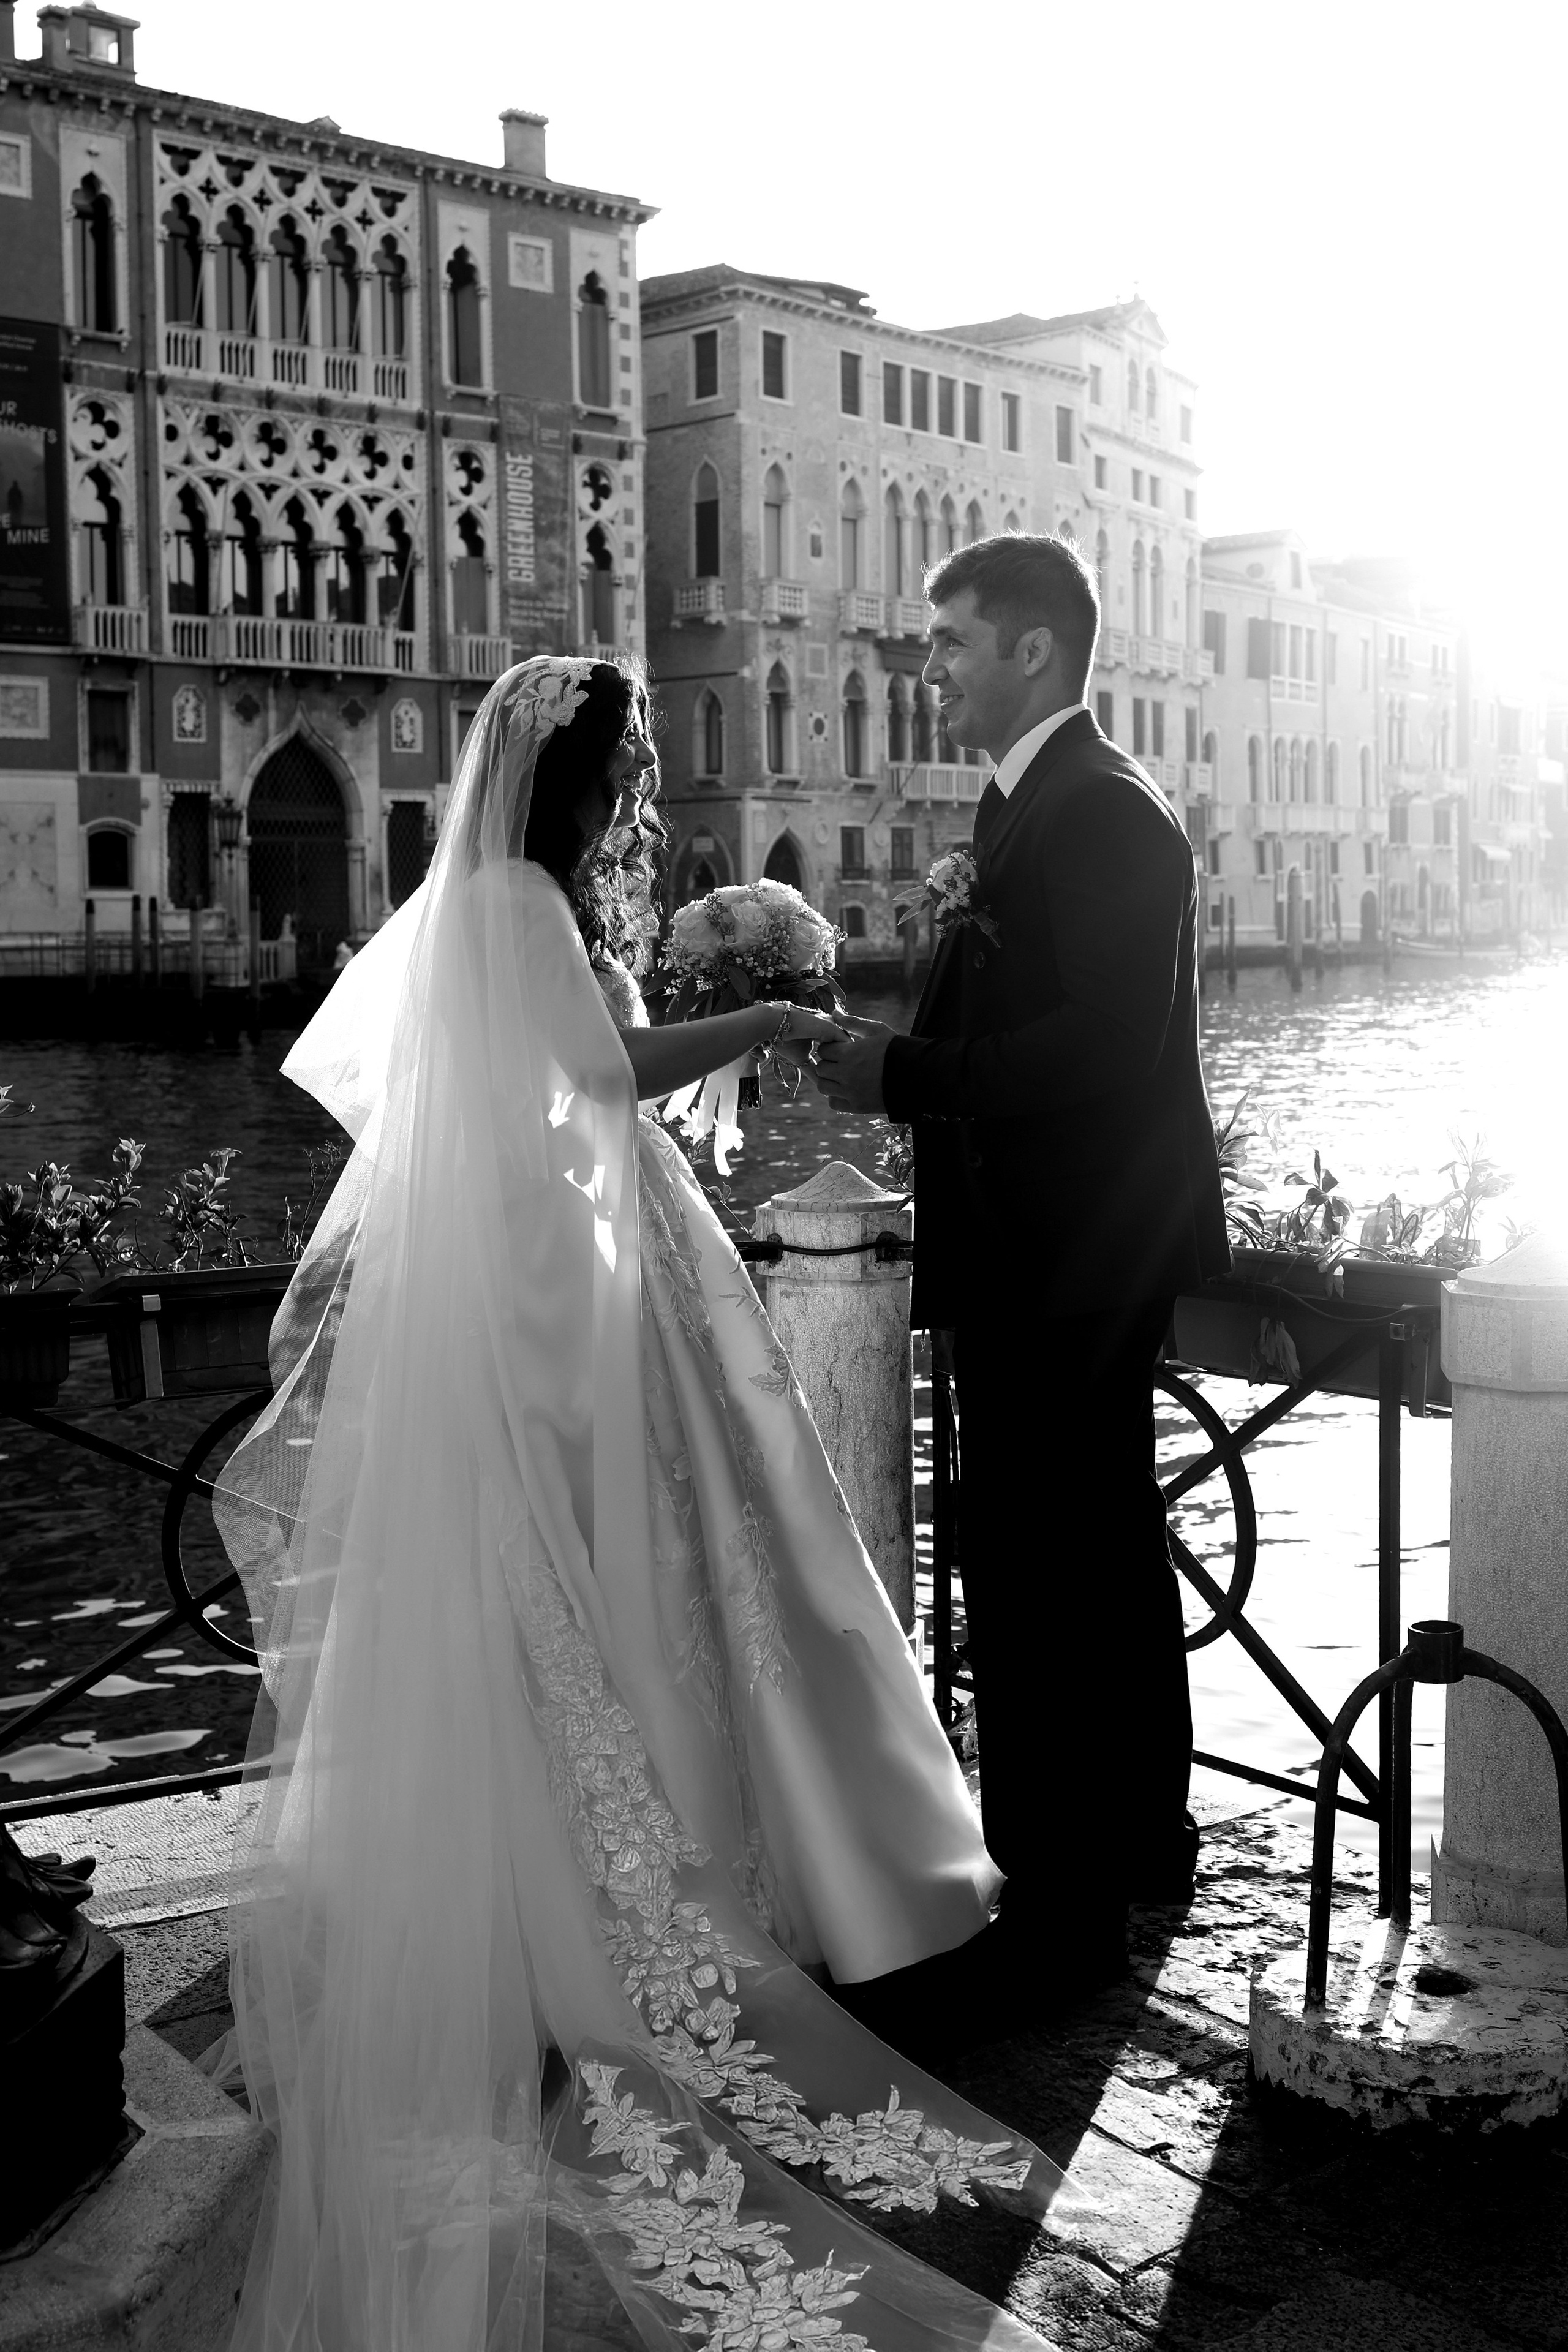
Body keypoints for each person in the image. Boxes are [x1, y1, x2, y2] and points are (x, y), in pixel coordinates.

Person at [213, 655, 1078, 2352]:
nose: (635, 797)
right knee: (628, 1577)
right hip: (570, 1284)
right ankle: (638, 1909)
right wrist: (763, 1023)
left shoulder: (492, 902)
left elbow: (554, 1083)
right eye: (624, 770)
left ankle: (600, 1883)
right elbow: (601, 1077)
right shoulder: (526, 905)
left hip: (559, 1261)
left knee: (584, 1594)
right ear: (572, 778)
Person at [818, 535, 1230, 2008]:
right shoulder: (1033, 809)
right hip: (1040, 1253)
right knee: (1080, 1553)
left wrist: (901, 1070)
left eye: (950, 643)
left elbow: (1104, 1048)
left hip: (1072, 1254)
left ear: (1034, 652)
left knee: (1054, 1567)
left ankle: (1062, 1908)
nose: (929, 669)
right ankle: (1126, 1847)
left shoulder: (1100, 811)